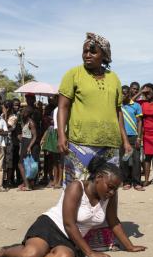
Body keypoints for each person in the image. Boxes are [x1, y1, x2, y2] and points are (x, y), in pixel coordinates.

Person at [0, 156, 146, 257]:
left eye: (115, 189)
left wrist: (129, 246)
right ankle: (3, 252)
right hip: (51, 226)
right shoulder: (76, 187)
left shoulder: (110, 196)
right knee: (31, 256)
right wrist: (90, 253)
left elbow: (113, 221)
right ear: (99, 177)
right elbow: (69, 224)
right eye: (110, 187)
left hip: (71, 239)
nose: (112, 192)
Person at [57, 32, 132, 186]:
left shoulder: (114, 78)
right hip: (80, 143)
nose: (88, 55)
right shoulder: (73, 74)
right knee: (77, 187)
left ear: (103, 55)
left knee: (107, 188)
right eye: (85, 51)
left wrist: (125, 140)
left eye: (93, 52)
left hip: (110, 144)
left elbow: (118, 111)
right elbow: (63, 106)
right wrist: (61, 135)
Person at [120, 85, 143, 190]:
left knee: (136, 160)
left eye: (126, 93)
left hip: (134, 136)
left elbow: (139, 122)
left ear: (129, 93)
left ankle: (137, 182)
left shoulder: (136, 105)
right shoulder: (118, 105)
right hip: (121, 137)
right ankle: (126, 182)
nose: (124, 95)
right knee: (124, 160)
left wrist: (139, 137)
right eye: (122, 93)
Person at [139, 83, 153, 187]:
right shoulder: (142, 104)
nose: (147, 94)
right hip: (146, 133)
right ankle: (147, 180)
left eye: (149, 91)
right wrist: (141, 92)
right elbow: (131, 102)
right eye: (145, 92)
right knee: (147, 158)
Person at [18, 106, 39, 191]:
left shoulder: (31, 122)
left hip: (29, 144)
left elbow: (35, 136)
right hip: (25, 143)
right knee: (27, 164)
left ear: (28, 113)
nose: (22, 113)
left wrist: (29, 147)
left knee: (21, 164)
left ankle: (27, 185)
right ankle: (29, 184)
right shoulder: (25, 121)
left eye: (24, 112)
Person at [2, 100, 19, 188]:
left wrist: (5, 115)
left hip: (8, 141)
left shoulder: (14, 117)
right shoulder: (1, 115)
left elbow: (5, 127)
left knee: (9, 162)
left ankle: (8, 181)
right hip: (0, 141)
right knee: (1, 161)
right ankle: (1, 181)